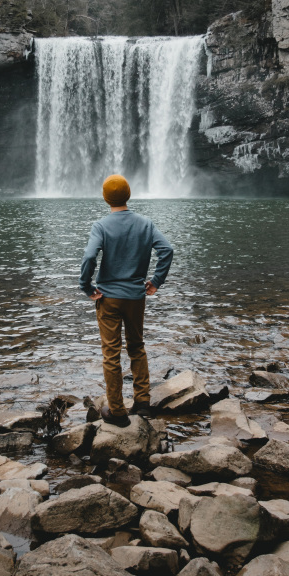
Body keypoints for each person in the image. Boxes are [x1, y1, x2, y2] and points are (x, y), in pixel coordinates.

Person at [79, 174, 174, 426]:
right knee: (137, 347)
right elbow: (167, 250)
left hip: (108, 298)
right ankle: (142, 403)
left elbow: (89, 256)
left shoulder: (100, 225)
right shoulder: (145, 223)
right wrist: (155, 281)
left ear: (105, 197)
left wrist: (86, 286)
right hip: (135, 297)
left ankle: (118, 411)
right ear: (129, 194)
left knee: (111, 354)